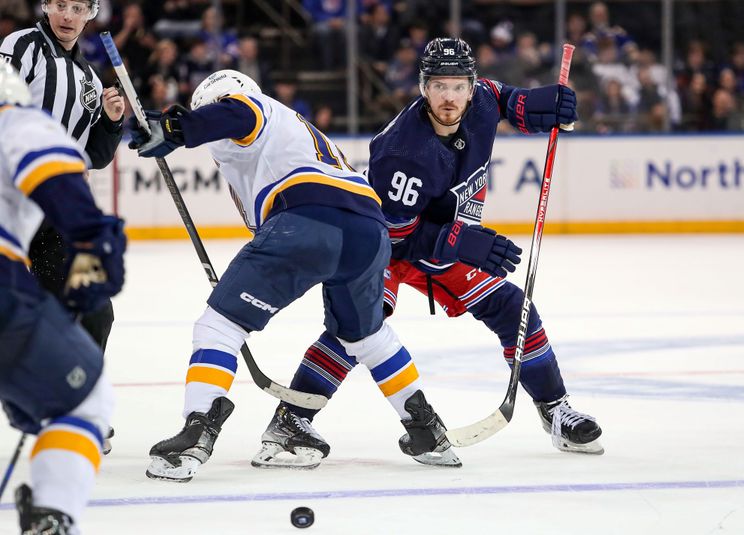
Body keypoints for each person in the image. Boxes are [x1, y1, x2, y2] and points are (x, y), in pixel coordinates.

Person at [275, 38, 604, 463]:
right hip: (379, 244)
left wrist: (538, 104)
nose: (449, 97)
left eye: (457, 86)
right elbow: (397, 241)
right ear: (422, 88)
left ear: (471, 86)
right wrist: (461, 240)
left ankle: (555, 410)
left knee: (512, 307)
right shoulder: (401, 152)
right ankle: (293, 417)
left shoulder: (481, 98)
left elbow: (504, 98)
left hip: (443, 240)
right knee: (357, 326)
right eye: (438, 86)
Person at [129, 69, 460, 482]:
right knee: (366, 336)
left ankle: (197, 430)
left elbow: (237, 114)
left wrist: (177, 127)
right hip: (368, 230)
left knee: (219, 326)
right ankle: (426, 428)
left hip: (306, 219)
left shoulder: (253, 109)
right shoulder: (289, 133)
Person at [0, 63, 126, 534]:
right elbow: (81, 218)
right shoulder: (20, 123)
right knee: (85, 402)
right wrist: (92, 266)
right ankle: (53, 517)